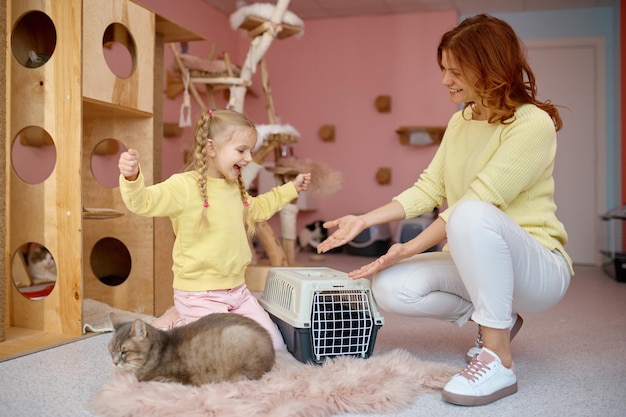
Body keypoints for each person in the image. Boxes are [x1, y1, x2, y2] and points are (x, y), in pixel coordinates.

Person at [317, 14, 572, 406]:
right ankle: (496, 320)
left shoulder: (530, 123)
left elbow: (478, 202)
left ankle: (498, 358)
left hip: (538, 268)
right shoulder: (461, 122)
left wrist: (410, 246)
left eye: (455, 70)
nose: (444, 80)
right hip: (478, 259)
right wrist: (363, 218)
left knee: (469, 212)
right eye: (443, 69)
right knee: (390, 287)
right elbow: (428, 188)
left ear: (488, 69)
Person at [118, 108, 311, 350]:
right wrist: (132, 176)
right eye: (241, 151)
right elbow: (143, 202)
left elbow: (260, 207)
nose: (249, 158)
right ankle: (176, 322)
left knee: (273, 346)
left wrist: (291, 189)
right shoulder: (184, 187)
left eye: (250, 151)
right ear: (211, 148)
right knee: (224, 351)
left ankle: (187, 318)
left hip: (238, 292)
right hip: (199, 293)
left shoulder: (235, 190)